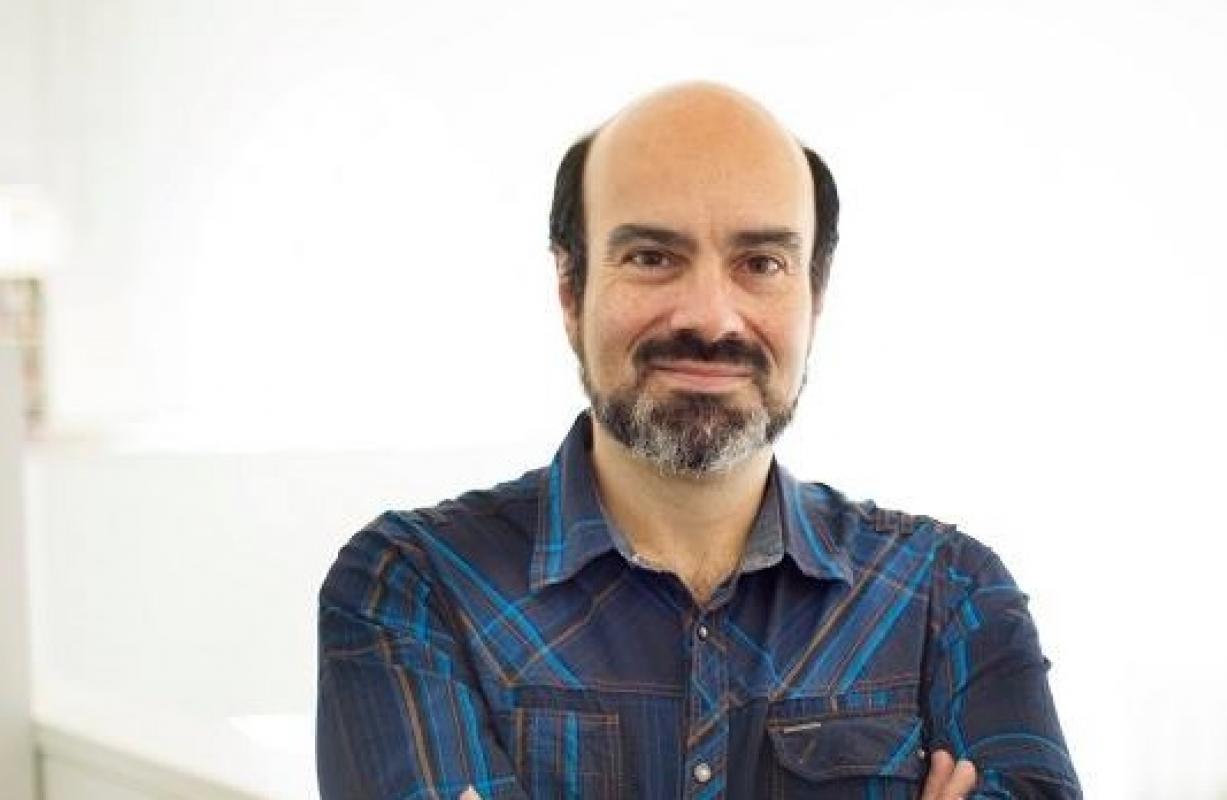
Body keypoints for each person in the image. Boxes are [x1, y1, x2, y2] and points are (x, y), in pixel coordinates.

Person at [317, 82, 1080, 799]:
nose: (710, 317)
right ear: (570, 290)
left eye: (761, 263)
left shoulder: (951, 595)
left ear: (814, 296)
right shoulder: (411, 585)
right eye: (652, 258)